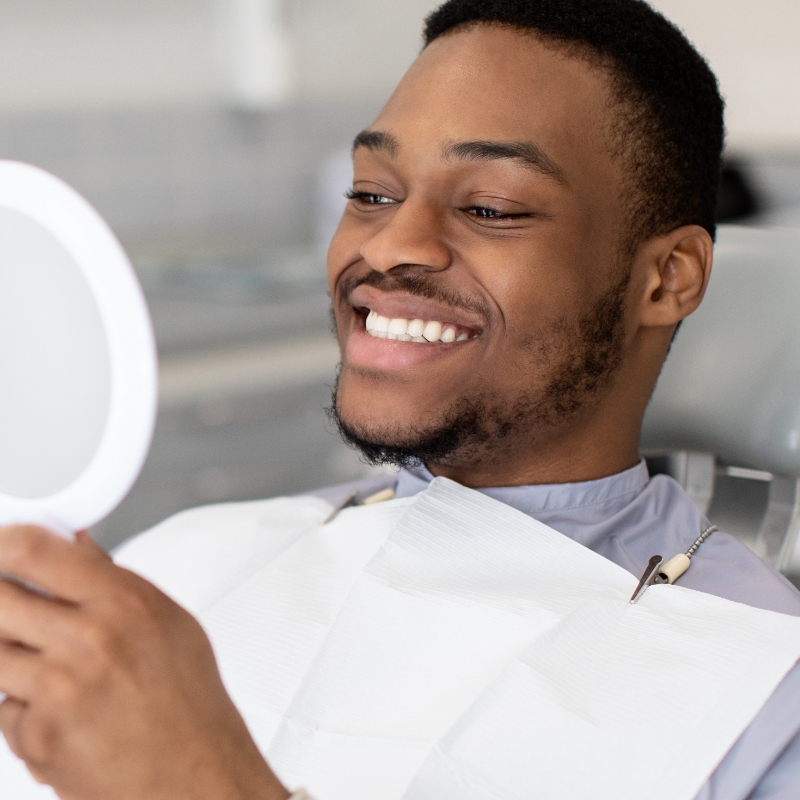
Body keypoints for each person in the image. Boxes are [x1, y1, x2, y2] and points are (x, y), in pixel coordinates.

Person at [1, 1, 799, 798]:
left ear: (667, 278)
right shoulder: (184, 565)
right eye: (372, 194)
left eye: (490, 208)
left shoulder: (763, 696)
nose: (387, 247)